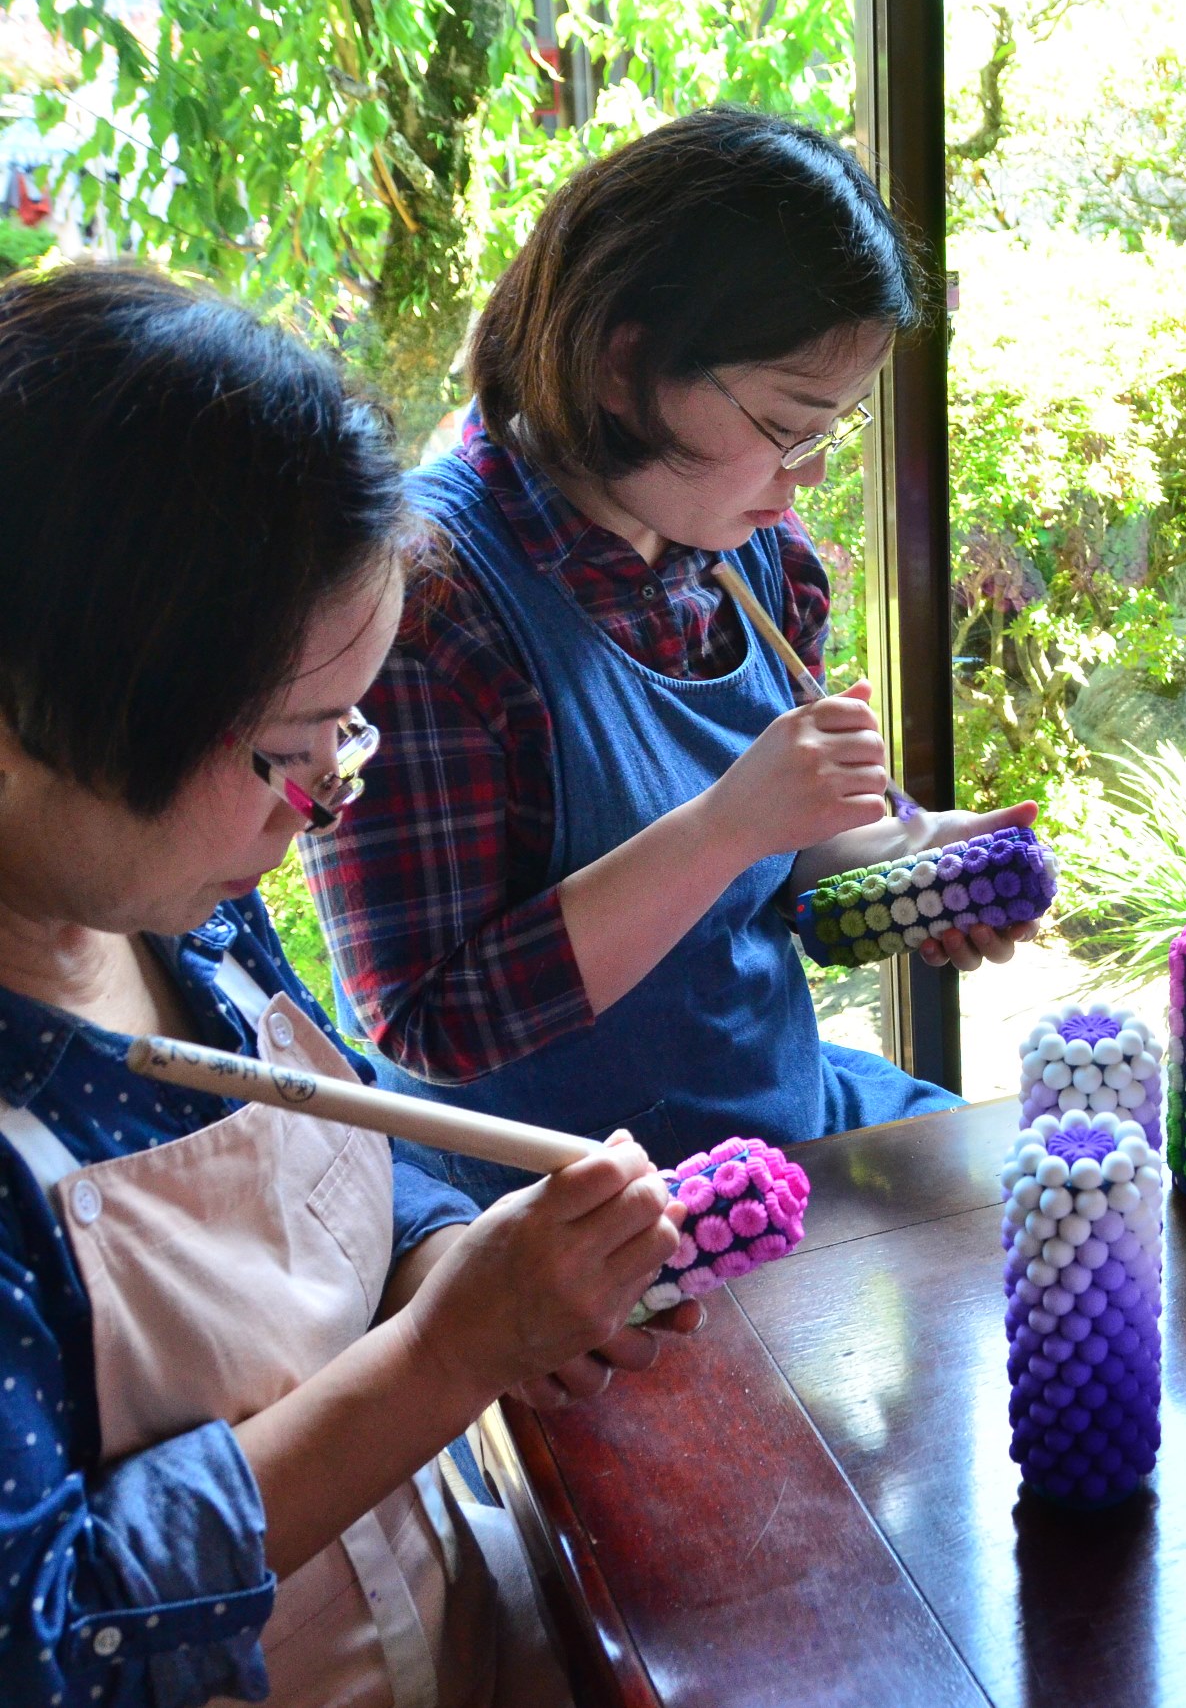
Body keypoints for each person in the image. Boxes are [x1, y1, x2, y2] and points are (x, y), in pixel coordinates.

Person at [0, 264, 696, 1707]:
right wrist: (448, 1353)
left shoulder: (191, 925)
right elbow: (48, 1630)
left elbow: (352, 1151)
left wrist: (452, 1261)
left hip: (462, 1628)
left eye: (346, 738)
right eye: (289, 747)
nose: (319, 804)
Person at [304, 109, 1034, 1203]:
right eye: (789, 426)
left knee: (1062, 1197)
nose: (810, 474)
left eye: (832, 430)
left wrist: (912, 869)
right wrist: (728, 822)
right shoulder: (424, 603)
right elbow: (431, 1023)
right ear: (624, 364)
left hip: (783, 1130)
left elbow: (779, 876)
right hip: (568, 1218)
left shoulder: (751, 554)